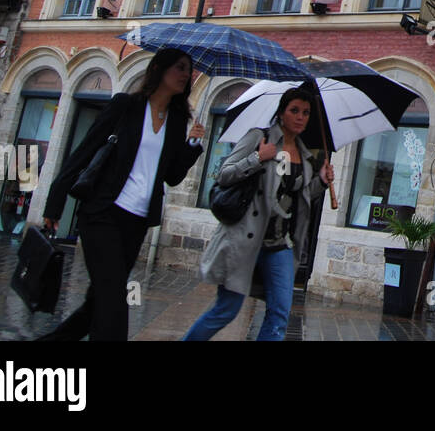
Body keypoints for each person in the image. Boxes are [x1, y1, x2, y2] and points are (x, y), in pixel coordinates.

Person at [38, 48, 205, 340]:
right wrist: (54, 204)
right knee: (115, 298)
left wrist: (192, 147)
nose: (185, 75)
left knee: (99, 302)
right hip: (103, 213)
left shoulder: (177, 122)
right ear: (159, 70)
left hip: (137, 221)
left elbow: (172, 176)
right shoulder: (125, 106)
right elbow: (82, 153)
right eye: (179, 67)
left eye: (188, 70)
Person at [184, 87, 332, 341]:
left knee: (279, 315)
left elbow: (301, 197)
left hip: (280, 244)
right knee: (226, 311)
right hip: (245, 239)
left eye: (306, 113)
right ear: (281, 112)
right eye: (294, 110)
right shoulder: (258, 138)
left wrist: (321, 181)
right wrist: (257, 158)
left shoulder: (305, 156)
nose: (300, 117)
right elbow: (224, 174)